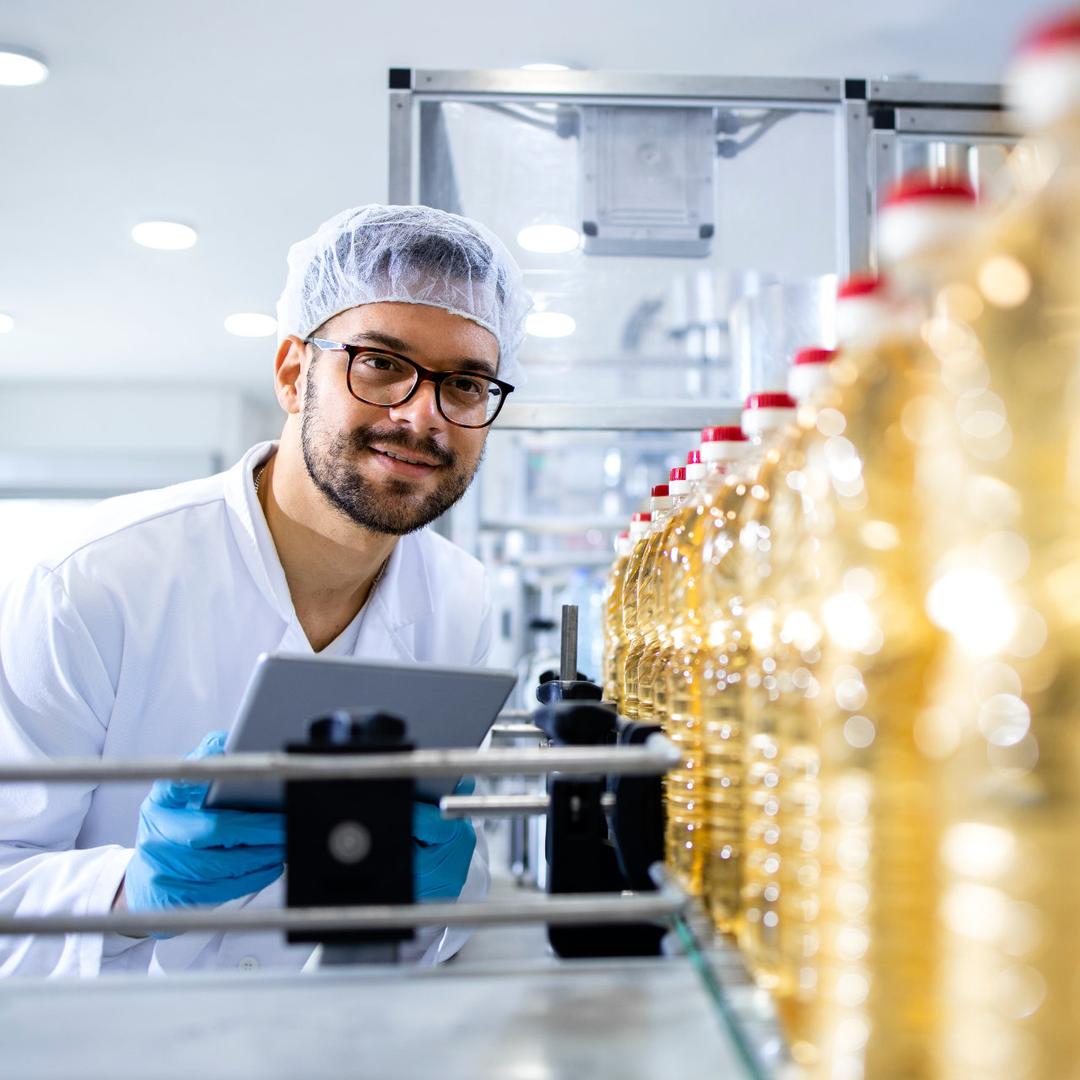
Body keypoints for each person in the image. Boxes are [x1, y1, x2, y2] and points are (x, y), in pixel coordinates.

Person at [0, 205, 532, 977]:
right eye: (381, 363)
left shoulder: (460, 599)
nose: (424, 416)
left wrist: (443, 898)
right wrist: (132, 893)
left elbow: (421, 908)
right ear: (292, 372)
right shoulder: (91, 582)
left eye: (467, 383)